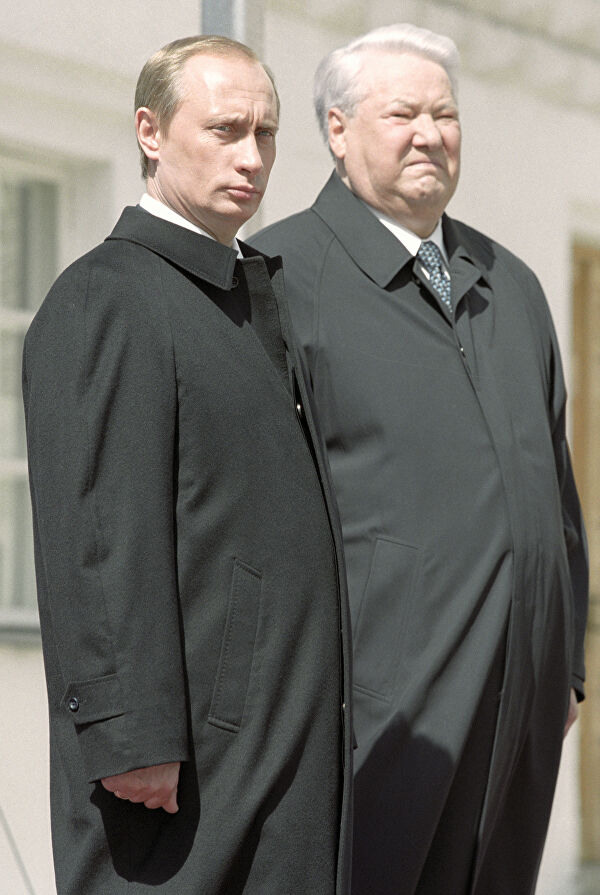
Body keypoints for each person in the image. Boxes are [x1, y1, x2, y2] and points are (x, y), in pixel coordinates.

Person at [251, 22, 588, 895]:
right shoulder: (277, 278)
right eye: (403, 114)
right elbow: (249, 518)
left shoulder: (509, 283)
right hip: (380, 705)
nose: (429, 134)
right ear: (337, 129)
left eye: (445, 114)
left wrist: (563, 662)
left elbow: (555, 492)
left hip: (521, 699)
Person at [22, 35, 353, 895]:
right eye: (225, 129)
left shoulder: (249, 298)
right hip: (179, 783)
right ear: (151, 131)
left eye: (266, 133)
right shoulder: (110, 294)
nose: (252, 157)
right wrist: (131, 734)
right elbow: (98, 530)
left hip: (277, 752)